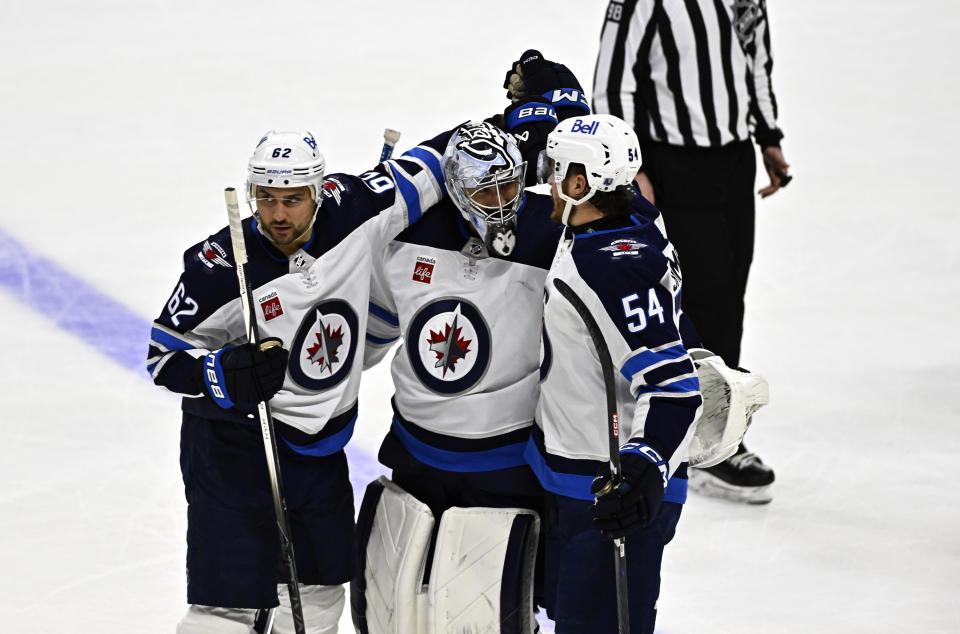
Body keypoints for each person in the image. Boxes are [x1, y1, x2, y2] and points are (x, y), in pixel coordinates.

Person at [146, 127, 448, 633]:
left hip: (317, 448)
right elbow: (163, 357)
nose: (278, 214)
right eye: (266, 199)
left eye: (292, 199)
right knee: (229, 603)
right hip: (234, 447)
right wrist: (220, 374)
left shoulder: (354, 209)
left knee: (319, 588)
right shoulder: (219, 265)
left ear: (318, 191)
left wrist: (520, 121)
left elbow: (434, 166)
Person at [352, 52, 590, 632]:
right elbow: (375, 331)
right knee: (394, 612)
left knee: (483, 616)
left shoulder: (556, 231)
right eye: (485, 193)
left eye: (511, 186)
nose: (502, 203)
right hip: (414, 454)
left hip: (509, 467)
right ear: (454, 192)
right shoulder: (409, 232)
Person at [592, 0, 789, 503]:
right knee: (693, 294)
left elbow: (754, 59)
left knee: (730, 293)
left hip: (733, 160)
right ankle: (683, 434)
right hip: (672, 161)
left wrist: (767, 135)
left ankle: (719, 433)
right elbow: (614, 83)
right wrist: (631, 170)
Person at [525, 113, 702, 633]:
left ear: (581, 183)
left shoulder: (612, 265)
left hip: (610, 494)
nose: (549, 182)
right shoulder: (625, 216)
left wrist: (643, 468)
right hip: (579, 478)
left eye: (558, 171)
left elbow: (673, 388)